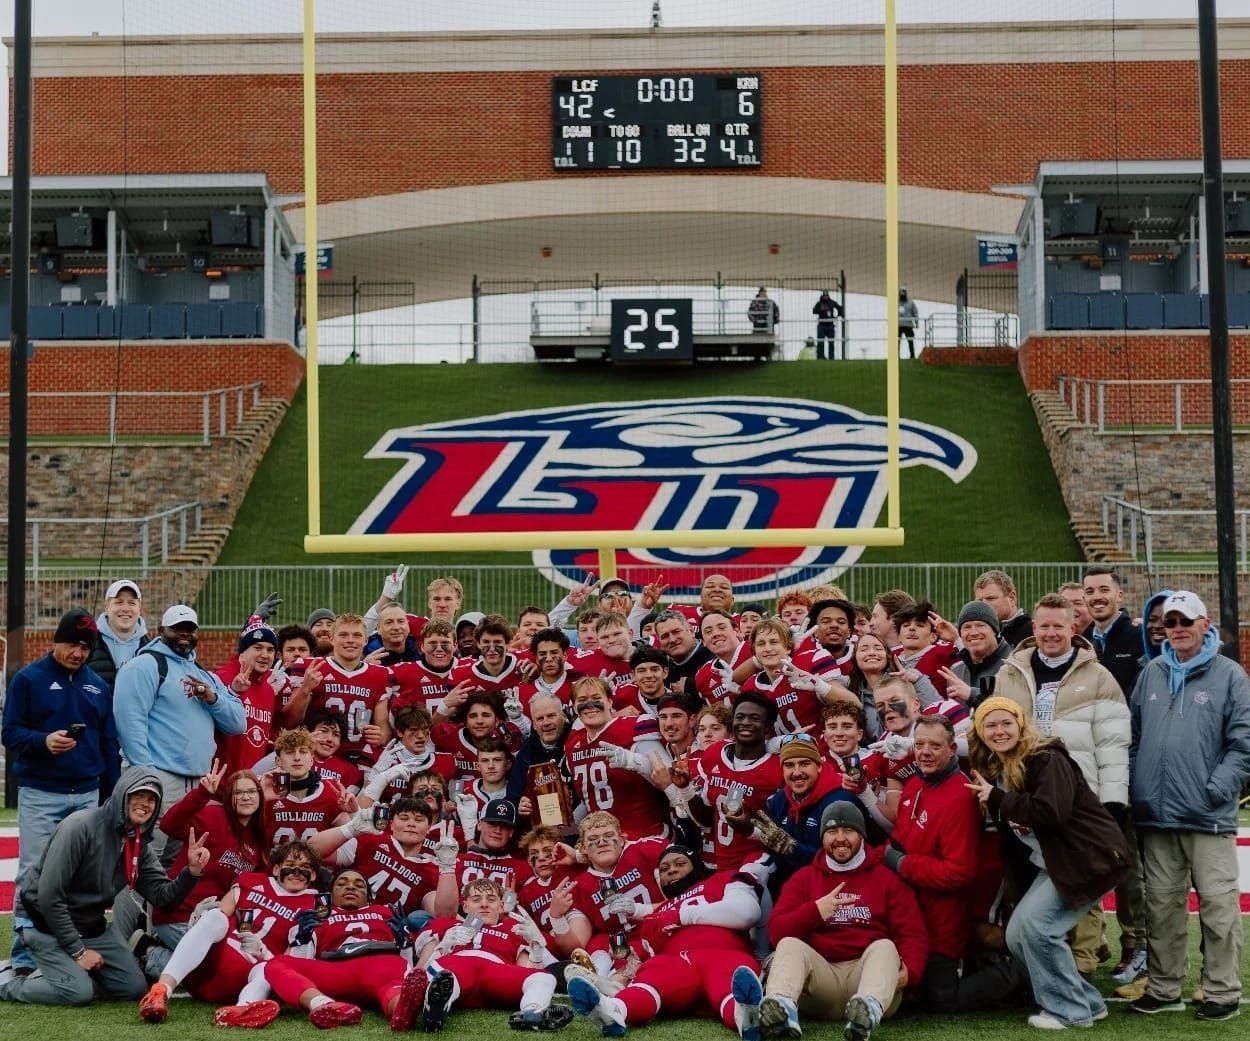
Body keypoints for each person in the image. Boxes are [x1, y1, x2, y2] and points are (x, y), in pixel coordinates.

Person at [967, 697, 1129, 1030]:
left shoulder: (1046, 758)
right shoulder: (998, 767)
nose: (999, 731)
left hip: (1088, 857)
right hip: (1055, 863)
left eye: (1006, 723)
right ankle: (1088, 1002)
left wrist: (998, 799)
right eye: (990, 725)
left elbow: (1051, 812)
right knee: (1016, 935)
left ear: (1020, 724)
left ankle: (1070, 1012)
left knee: (1039, 929)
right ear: (981, 732)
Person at [992, 592, 1130, 980]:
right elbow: (994, 731)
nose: (1051, 633)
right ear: (1033, 628)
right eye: (1044, 626)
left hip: (1080, 797)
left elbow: (1114, 742)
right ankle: (1039, 971)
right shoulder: (1010, 672)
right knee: (1031, 881)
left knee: (1080, 878)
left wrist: (1112, 801)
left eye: (1058, 626)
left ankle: (1082, 966)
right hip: (1025, 795)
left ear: (1073, 627)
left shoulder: (1098, 676)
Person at [1127, 591, 1250, 1022]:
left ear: (1204, 623)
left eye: (1185, 620)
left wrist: (1215, 789)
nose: (1177, 628)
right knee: (1161, 908)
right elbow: (1133, 737)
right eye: (1170, 621)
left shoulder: (1230, 675)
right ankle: (1164, 988)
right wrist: (1138, 785)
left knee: (1218, 908)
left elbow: (1244, 743)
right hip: (1157, 815)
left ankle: (1221, 991)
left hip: (1208, 816)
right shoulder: (1152, 673)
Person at [0, 766, 209, 1006]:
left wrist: (191, 872)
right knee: (79, 993)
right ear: (122, 795)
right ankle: (8, 981)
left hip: (89, 926)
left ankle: (68, 974)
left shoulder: (138, 844)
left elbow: (163, 898)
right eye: (138, 795)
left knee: (132, 987)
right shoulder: (79, 827)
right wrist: (78, 952)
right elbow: (49, 896)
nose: (145, 803)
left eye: (152, 799)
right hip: (44, 924)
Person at [2, 608, 119, 975]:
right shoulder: (28, 679)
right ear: (56, 640)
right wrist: (43, 741)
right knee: (32, 873)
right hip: (41, 792)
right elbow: (9, 732)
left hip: (86, 794)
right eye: (72, 645)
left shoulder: (98, 686)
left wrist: (111, 796)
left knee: (80, 876)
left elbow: (109, 744)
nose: (78, 653)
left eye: (85, 647)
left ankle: (73, 948)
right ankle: (24, 956)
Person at [760, 801, 927, 1041]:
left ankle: (866, 1012)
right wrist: (815, 912)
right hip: (822, 984)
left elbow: (913, 934)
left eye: (848, 831)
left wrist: (910, 974)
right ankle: (782, 1010)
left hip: (869, 979)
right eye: (832, 832)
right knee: (789, 944)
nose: (840, 838)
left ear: (862, 835)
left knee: (885, 947)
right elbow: (776, 932)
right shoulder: (804, 879)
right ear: (822, 837)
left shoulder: (887, 879)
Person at [883, 714, 1013, 1012]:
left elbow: (959, 873)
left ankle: (1019, 972)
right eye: (919, 745)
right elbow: (898, 844)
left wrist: (902, 865)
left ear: (952, 749)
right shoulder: (914, 784)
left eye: (935, 746)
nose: (925, 752)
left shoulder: (960, 796)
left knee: (942, 999)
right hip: (912, 916)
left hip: (944, 923)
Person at [565, 843, 764, 1038]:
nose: (671, 870)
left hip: (723, 954)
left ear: (696, 865)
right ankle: (615, 1011)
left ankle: (743, 1015)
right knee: (655, 971)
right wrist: (622, 967)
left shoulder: (723, 879)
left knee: (730, 978)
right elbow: (643, 956)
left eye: (680, 863)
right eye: (664, 869)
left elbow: (747, 913)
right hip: (678, 970)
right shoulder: (656, 915)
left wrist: (681, 916)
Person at [112, 605, 246, 864]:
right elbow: (129, 723)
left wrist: (212, 698)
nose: (184, 634)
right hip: (159, 776)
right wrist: (147, 775)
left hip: (196, 783)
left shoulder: (203, 674)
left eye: (190, 629)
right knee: (145, 858)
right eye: (177, 629)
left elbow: (237, 723)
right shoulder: (144, 665)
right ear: (161, 630)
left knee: (177, 862)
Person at [940, 601, 1013, 708]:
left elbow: (1016, 706)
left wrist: (972, 695)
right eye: (967, 627)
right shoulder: (956, 671)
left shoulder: (1013, 665)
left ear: (994, 631)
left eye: (980, 625)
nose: (973, 632)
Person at [87, 578, 149, 691]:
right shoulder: (89, 644)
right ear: (106, 608)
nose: (125, 609)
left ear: (139, 609)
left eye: (132, 603)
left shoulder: (151, 649)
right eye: (119, 602)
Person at [974, 570, 1032, 648]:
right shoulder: (976, 635)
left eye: (991, 598)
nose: (984, 605)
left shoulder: (1033, 632)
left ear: (1012, 598)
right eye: (979, 600)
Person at [812, 290, 843, 360]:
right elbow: (814, 311)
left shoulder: (832, 302)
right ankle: (821, 357)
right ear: (822, 296)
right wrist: (820, 309)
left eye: (826, 296)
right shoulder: (819, 303)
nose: (825, 297)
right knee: (820, 342)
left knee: (831, 342)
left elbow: (840, 308)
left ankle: (831, 358)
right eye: (824, 296)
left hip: (830, 325)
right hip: (821, 325)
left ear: (828, 296)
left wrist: (836, 316)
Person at [897, 287, 919, 359]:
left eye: (903, 292)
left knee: (910, 341)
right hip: (898, 325)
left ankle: (912, 356)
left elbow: (915, 313)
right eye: (901, 292)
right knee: (896, 341)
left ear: (906, 293)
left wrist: (916, 323)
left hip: (908, 325)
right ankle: (896, 356)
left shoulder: (911, 302)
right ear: (899, 294)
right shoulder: (895, 302)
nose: (902, 294)